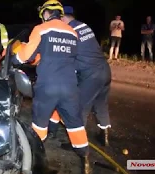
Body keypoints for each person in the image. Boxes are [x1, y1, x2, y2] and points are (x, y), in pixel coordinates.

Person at [12, 0, 91, 174]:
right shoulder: (72, 33)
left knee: (39, 125)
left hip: (48, 86)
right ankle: (85, 159)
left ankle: (36, 161)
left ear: (46, 13)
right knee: (75, 125)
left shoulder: (41, 29)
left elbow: (26, 55)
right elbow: (66, 57)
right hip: (70, 87)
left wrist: (15, 58)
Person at [48, 6, 112, 147]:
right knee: (101, 104)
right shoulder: (84, 26)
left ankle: (77, 144)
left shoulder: (69, 32)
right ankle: (105, 136)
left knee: (79, 108)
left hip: (91, 74)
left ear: (64, 18)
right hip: (105, 70)